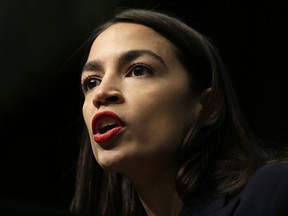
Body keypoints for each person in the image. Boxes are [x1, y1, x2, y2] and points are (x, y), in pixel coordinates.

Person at [69, 8, 288, 216]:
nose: (102, 93)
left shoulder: (275, 191)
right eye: (91, 82)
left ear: (207, 106)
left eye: (138, 70)